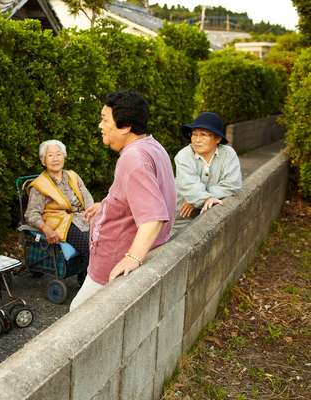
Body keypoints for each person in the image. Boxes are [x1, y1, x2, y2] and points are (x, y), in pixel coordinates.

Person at [70, 90, 176, 311]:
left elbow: (153, 217)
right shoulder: (152, 146)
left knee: (76, 315)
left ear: (125, 126)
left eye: (104, 119)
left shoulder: (132, 157)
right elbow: (144, 193)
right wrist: (107, 204)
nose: (100, 125)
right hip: (116, 258)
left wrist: (132, 257)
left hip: (112, 264)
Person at [24, 139, 94, 259]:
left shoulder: (73, 176)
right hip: (62, 224)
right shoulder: (39, 185)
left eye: (58, 154)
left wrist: (93, 216)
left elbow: (88, 200)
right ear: (43, 160)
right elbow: (31, 214)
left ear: (64, 157)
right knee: (92, 247)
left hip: (82, 218)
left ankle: (85, 275)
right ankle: (96, 276)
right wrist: (46, 229)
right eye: (50, 155)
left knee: (106, 237)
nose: (55, 158)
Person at [175, 112, 242, 220]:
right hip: (181, 216)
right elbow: (189, 186)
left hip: (210, 215)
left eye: (203, 135)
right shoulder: (183, 156)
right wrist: (202, 198)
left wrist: (198, 198)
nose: (197, 140)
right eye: (194, 134)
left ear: (218, 139)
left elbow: (232, 185)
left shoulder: (228, 154)